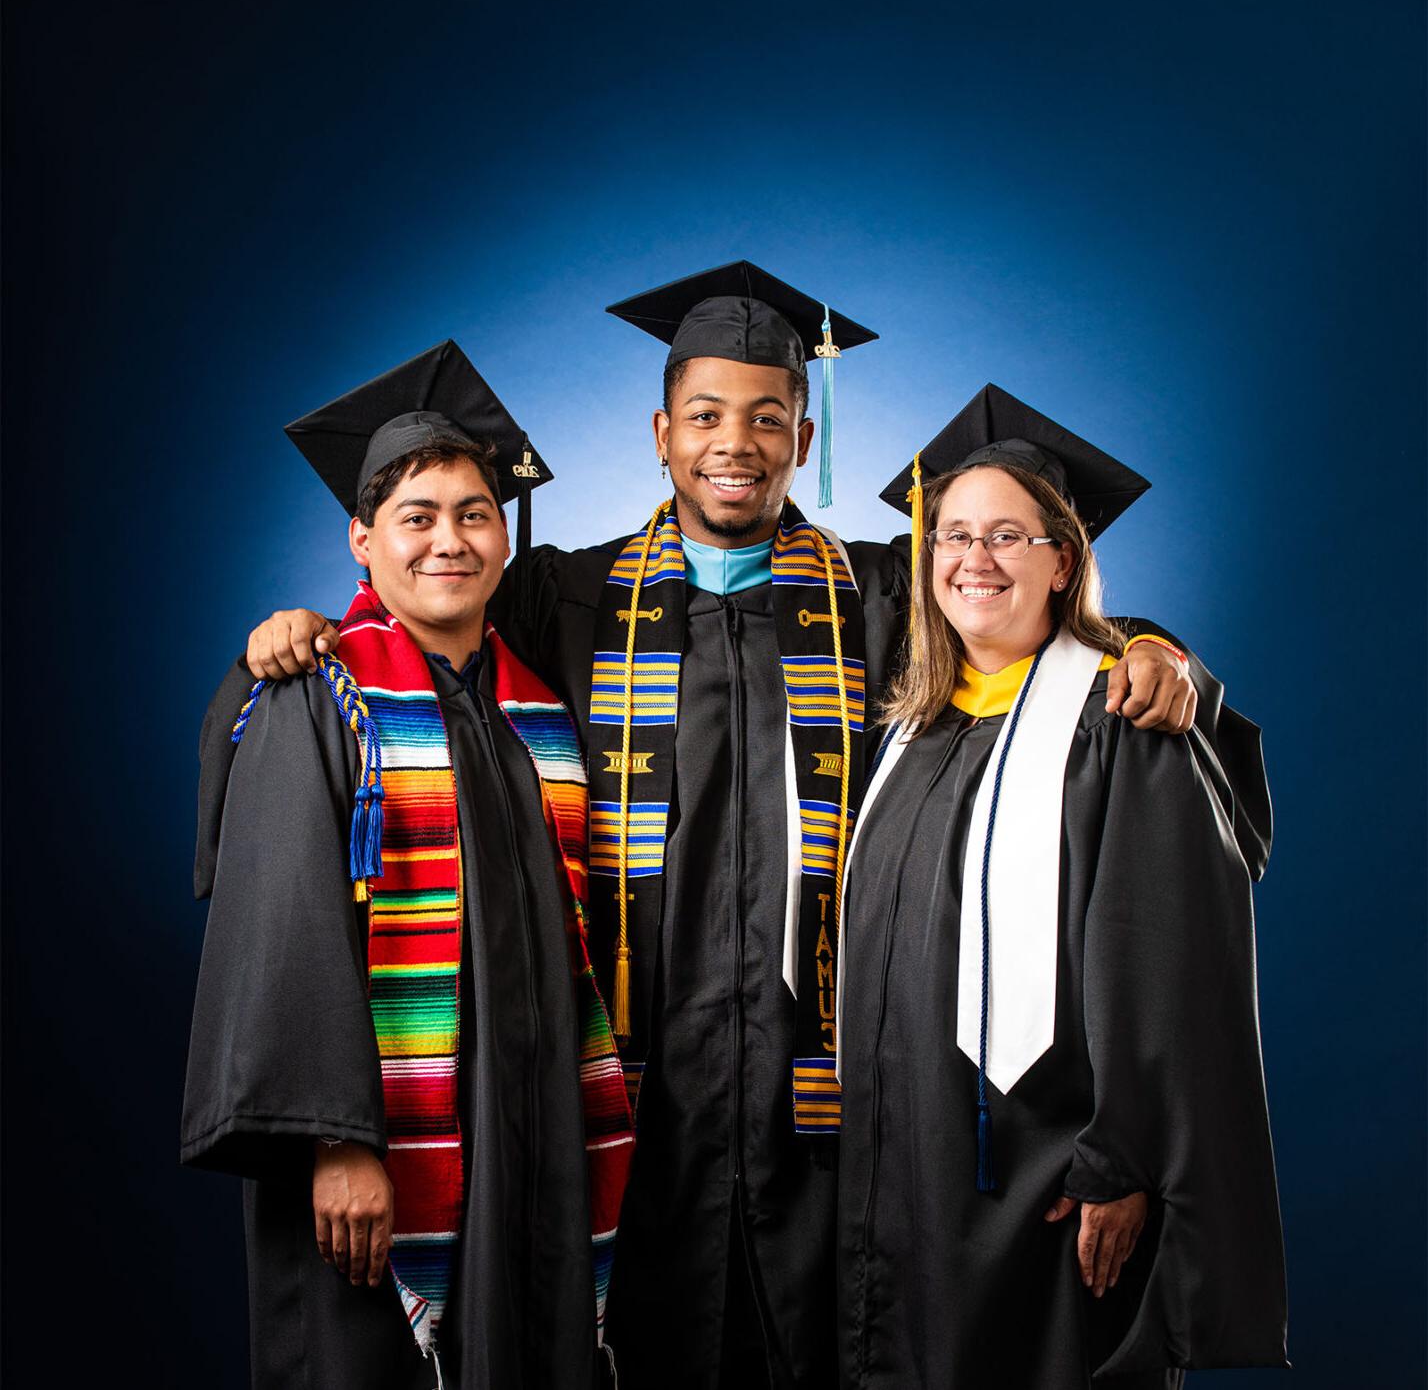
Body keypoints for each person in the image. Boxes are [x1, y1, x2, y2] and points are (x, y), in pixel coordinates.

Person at [228, 266, 1217, 1389]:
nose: (731, 443)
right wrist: (302, 633)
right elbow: (415, 627)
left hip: (831, 1112)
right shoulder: (567, 596)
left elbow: (1031, 633)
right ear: (660, 433)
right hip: (631, 1108)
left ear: (803, 433)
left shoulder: (879, 595)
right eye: (703, 415)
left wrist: (1155, 651)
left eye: (764, 418)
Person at [183, 341, 633, 1390]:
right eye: (417, 517)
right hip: (381, 1145)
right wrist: (336, 1142)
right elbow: (280, 922)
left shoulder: (534, 711)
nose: (449, 540)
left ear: (504, 538)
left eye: (474, 513)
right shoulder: (321, 694)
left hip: (529, 1132)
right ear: (362, 539)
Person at [835, 386, 1286, 1389]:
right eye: (952, 535)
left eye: (1008, 534)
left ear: (1065, 560)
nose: (973, 559)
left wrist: (1124, 1161)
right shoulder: (909, 731)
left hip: (1049, 1179)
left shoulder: (1120, 719)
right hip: (905, 1166)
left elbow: (1167, 959)